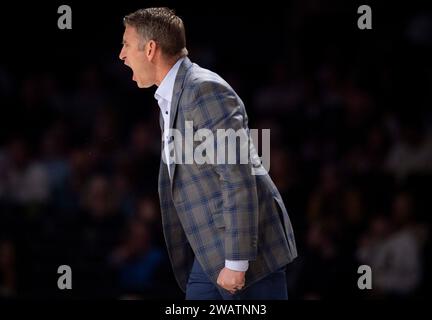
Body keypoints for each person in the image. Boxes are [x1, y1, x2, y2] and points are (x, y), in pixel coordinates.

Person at [119, 7, 297, 300]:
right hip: (210, 251)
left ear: (150, 49)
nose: (121, 55)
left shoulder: (203, 90)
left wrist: (237, 262)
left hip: (247, 253)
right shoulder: (172, 96)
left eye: (126, 44)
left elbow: (237, 175)